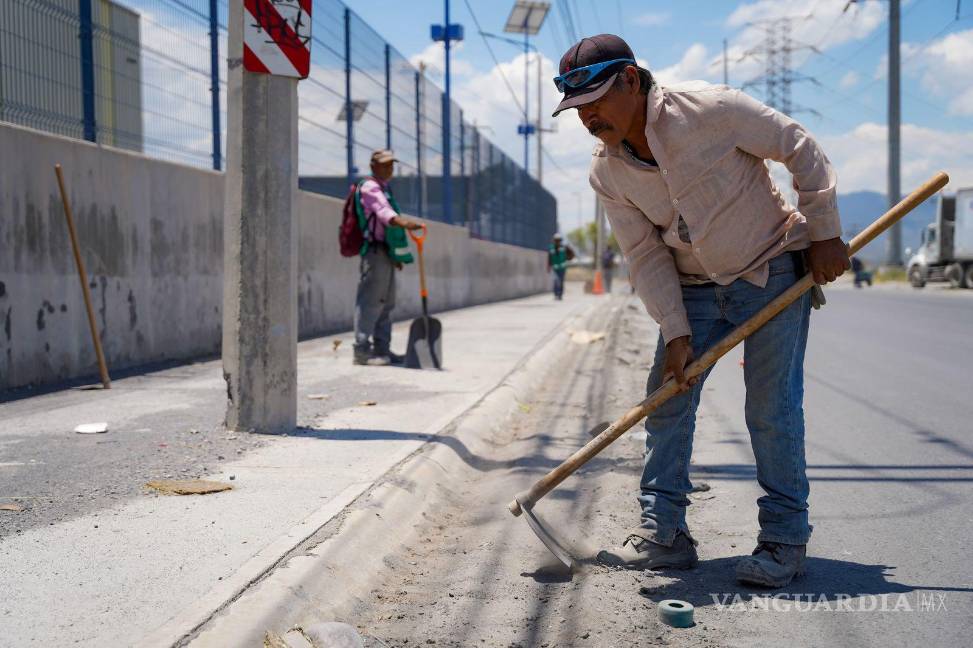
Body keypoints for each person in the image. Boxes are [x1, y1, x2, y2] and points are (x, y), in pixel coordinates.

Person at [552, 34, 849, 587]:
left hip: (770, 270)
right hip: (692, 288)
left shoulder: (714, 109)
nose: (588, 116)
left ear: (631, 81)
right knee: (666, 402)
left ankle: (784, 540)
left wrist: (825, 232)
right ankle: (665, 535)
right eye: (577, 108)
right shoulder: (607, 173)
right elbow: (645, 254)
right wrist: (675, 331)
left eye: (595, 100)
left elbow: (798, 146)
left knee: (772, 409)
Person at [353, 149, 424, 366]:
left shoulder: (384, 188)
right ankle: (362, 351)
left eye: (391, 165)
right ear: (373, 166)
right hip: (374, 252)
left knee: (387, 303)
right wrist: (405, 223)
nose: (389, 169)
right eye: (384, 165)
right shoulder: (369, 187)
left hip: (386, 252)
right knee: (370, 302)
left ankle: (382, 349)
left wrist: (396, 255)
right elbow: (384, 213)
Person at [547, 234, 573, 300]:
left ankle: (560, 295)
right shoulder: (551, 248)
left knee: (561, 281)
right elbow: (549, 258)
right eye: (556, 240)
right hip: (555, 268)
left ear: (560, 241)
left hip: (562, 268)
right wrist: (549, 266)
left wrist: (568, 258)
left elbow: (571, 254)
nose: (557, 242)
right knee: (556, 280)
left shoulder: (564, 247)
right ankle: (556, 294)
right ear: (554, 241)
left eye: (558, 240)